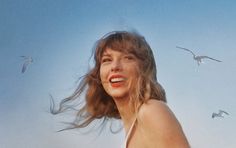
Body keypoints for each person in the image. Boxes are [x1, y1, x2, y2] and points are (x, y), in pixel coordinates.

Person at [51, 31, 190, 148]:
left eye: (127, 58)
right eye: (107, 60)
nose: (115, 66)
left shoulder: (152, 110)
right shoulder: (133, 126)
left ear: (144, 69)